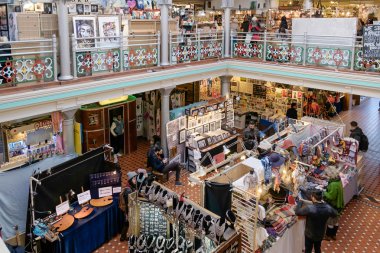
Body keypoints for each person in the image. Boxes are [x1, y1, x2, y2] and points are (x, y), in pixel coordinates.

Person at [323, 171, 344, 241]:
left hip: (333, 205)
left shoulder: (333, 184)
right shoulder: (338, 181)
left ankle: (328, 235)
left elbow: (331, 196)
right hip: (339, 204)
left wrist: (324, 192)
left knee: (330, 221)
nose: (326, 176)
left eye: (327, 175)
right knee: (336, 220)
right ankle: (334, 235)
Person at [119, 171, 137, 242]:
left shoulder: (130, 186)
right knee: (127, 223)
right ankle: (123, 237)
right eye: (134, 179)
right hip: (128, 210)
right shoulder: (128, 190)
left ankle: (122, 237)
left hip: (129, 209)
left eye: (135, 179)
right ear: (130, 180)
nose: (135, 180)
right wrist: (127, 214)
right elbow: (127, 204)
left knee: (127, 223)